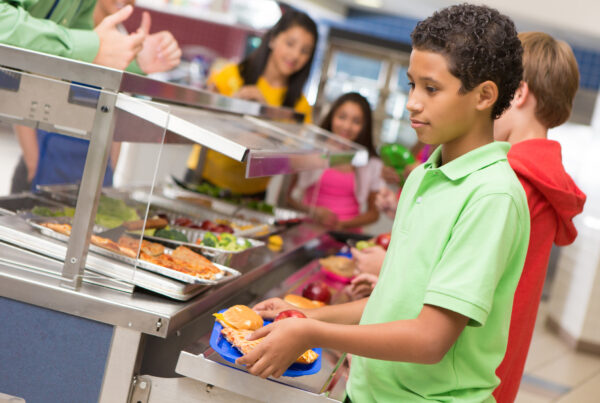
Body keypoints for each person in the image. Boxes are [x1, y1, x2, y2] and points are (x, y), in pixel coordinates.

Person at [236, 5, 530, 402]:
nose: (411, 102)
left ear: (484, 96)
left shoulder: (492, 196)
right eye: (411, 85)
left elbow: (430, 339)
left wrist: (312, 333)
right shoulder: (425, 175)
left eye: (431, 88)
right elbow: (391, 302)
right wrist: (307, 314)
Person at [492, 32, 586, 403]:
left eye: (490, 89)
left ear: (516, 93)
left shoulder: (509, 180)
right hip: (503, 364)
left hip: (466, 369)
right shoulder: (544, 177)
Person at [5, 0, 181, 193]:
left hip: (87, 171)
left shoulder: (86, 14)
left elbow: (71, 60)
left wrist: (136, 61)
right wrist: (33, 163)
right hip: (46, 161)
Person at [185, 9, 318, 197]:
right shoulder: (230, 74)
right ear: (272, 39)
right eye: (290, 44)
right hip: (203, 178)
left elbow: (297, 161)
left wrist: (267, 117)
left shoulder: (301, 105)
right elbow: (197, 120)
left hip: (252, 194)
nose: (295, 55)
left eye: (305, 51)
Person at [286, 92, 384, 230]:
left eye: (356, 121)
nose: (347, 126)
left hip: (347, 235)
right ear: (332, 117)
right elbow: (287, 198)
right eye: (342, 117)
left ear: (364, 127)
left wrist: (342, 224)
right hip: (307, 230)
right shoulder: (311, 152)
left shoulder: (371, 162)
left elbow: (374, 214)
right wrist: (313, 212)